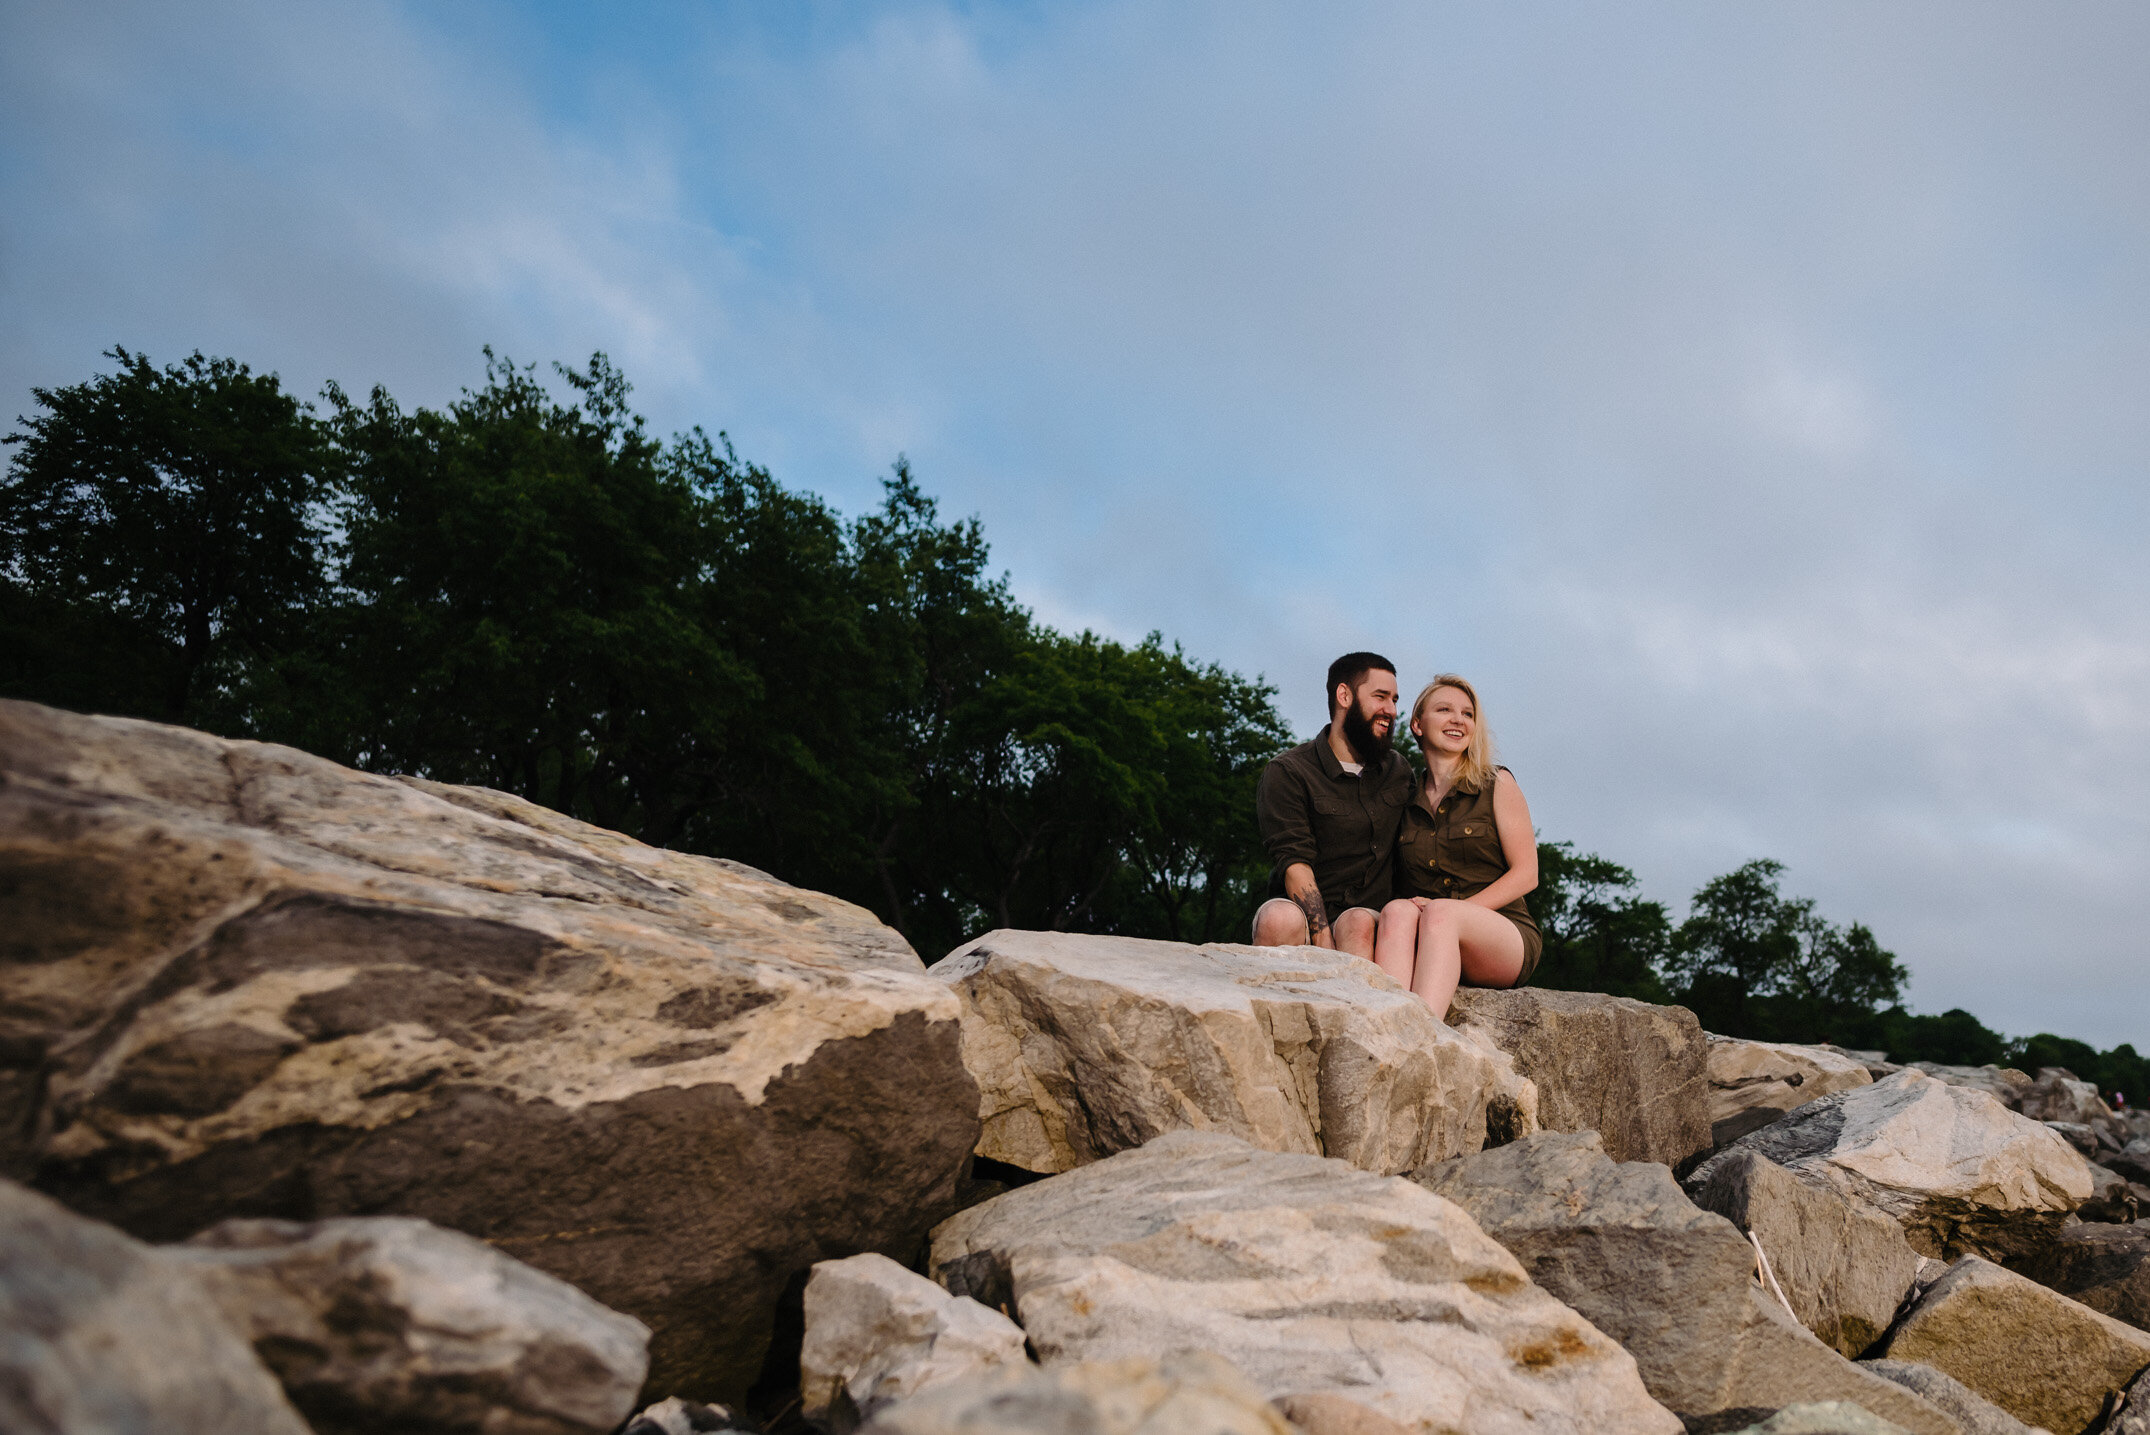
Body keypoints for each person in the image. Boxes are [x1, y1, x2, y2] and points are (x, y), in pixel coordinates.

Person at [1374, 674, 1541, 1016]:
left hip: (1502, 933)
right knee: (1396, 911)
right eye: (1445, 709)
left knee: (1440, 914)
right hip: (1434, 931)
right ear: (1417, 725)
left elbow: (1527, 874)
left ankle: (1421, 1034)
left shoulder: (1497, 783)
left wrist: (1456, 912)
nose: (1458, 720)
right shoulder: (1403, 800)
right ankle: (1388, 1022)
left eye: (1468, 714)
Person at [1251, 652, 1413, 958]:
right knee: (1277, 918)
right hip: (1305, 918)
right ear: (1344, 696)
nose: (1390, 710)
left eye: (1394, 700)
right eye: (1380, 697)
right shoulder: (1288, 771)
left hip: (1372, 919)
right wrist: (1323, 939)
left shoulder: (1399, 771)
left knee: (1357, 923)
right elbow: (1294, 862)